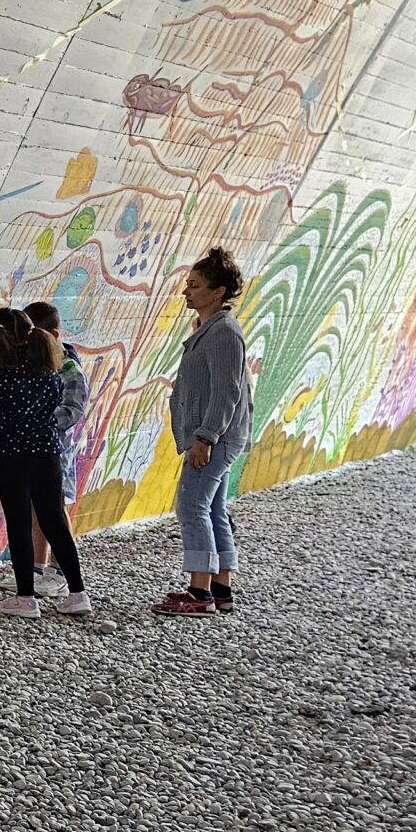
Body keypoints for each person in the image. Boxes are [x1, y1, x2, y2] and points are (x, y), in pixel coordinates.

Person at [0, 306, 92, 619]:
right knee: (55, 522)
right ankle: (78, 593)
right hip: (49, 455)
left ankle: (25, 597)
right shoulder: (48, 371)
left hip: (14, 458)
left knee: (20, 524)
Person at [157, 247, 253, 616]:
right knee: (212, 508)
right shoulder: (211, 330)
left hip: (216, 437)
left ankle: (199, 593)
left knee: (192, 505)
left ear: (218, 291)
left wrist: (206, 437)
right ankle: (220, 587)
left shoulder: (224, 333)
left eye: (195, 285)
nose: (186, 291)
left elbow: (228, 391)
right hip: (217, 436)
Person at [21, 300, 89, 577]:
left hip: (58, 450)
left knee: (55, 510)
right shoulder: (39, 366)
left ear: (54, 335)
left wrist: (40, 420)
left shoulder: (69, 369)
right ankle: (38, 569)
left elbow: (73, 409)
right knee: (37, 509)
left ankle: (60, 571)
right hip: (37, 448)